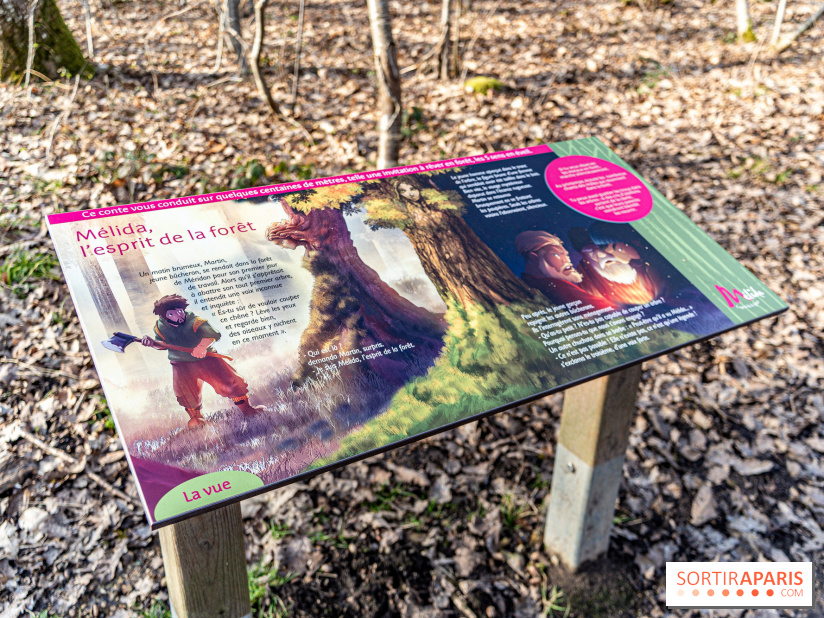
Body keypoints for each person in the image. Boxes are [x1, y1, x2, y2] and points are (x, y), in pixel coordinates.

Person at [141, 294, 262, 429]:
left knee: (230, 382)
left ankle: (247, 409)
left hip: (207, 359)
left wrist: (201, 346)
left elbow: (213, 334)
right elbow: (163, 344)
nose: (179, 315)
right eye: (172, 314)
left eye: (180, 311)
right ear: (165, 316)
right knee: (185, 392)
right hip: (180, 364)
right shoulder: (160, 327)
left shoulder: (195, 321)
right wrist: (152, 343)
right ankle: (196, 418)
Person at [514, 230, 615, 310]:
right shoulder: (555, 286)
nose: (567, 260)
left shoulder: (531, 281)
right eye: (556, 254)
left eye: (566, 254)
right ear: (534, 257)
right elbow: (605, 308)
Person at [568, 226, 660, 307]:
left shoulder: (638, 261)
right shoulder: (585, 272)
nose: (603, 254)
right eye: (591, 252)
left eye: (602, 247)